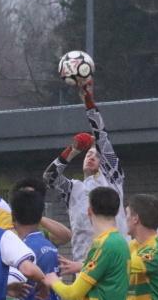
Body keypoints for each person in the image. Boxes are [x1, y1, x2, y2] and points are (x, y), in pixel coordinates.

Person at [42, 77, 127, 262]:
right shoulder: (74, 189)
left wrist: (89, 103)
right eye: (88, 153)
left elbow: (102, 138)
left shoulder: (113, 178)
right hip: (81, 267)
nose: (91, 156)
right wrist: (72, 150)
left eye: (96, 155)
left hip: (113, 266)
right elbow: (49, 178)